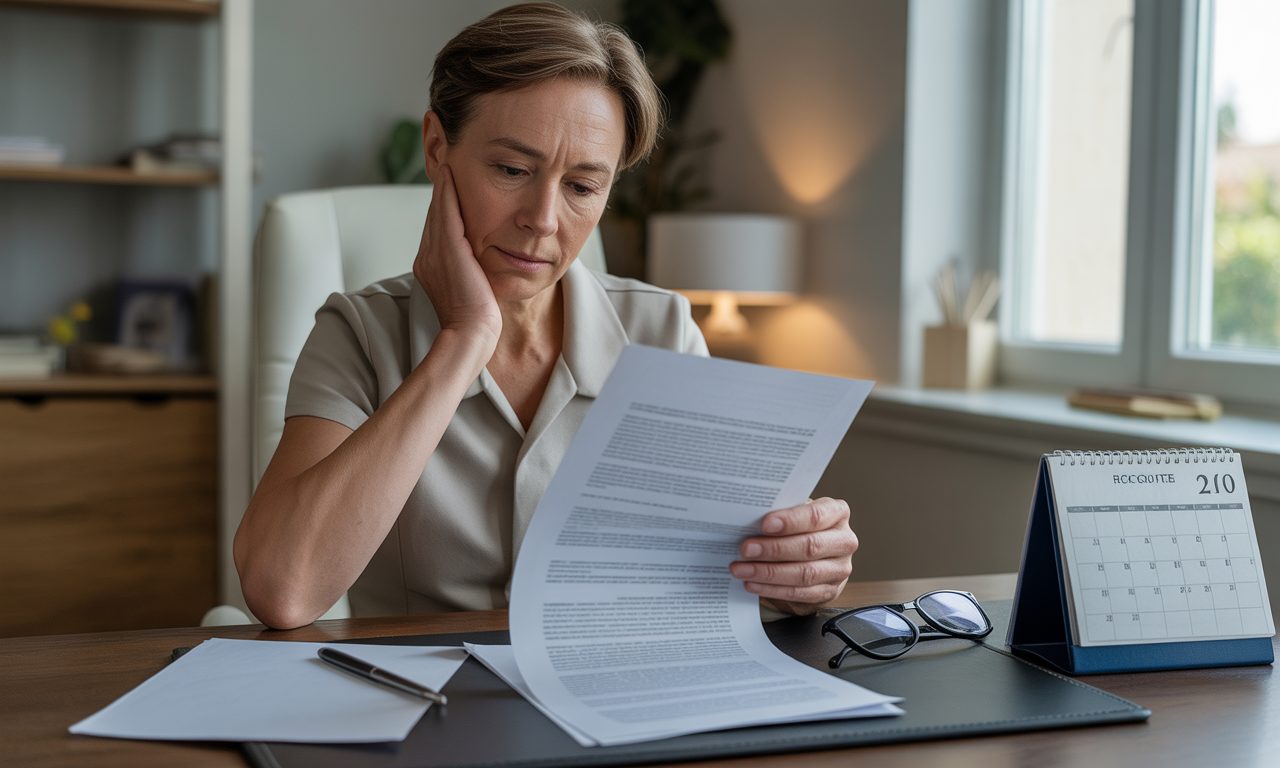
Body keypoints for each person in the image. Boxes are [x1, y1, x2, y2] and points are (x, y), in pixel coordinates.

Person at [234, 2, 859, 630]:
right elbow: (284, 591)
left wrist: (793, 570)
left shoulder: (662, 332)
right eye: (512, 170)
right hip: (417, 686)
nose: (542, 219)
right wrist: (462, 341)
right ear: (436, 148)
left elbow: (722, 563)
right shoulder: (358, 334)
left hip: (609, 678)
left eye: (582, 187)